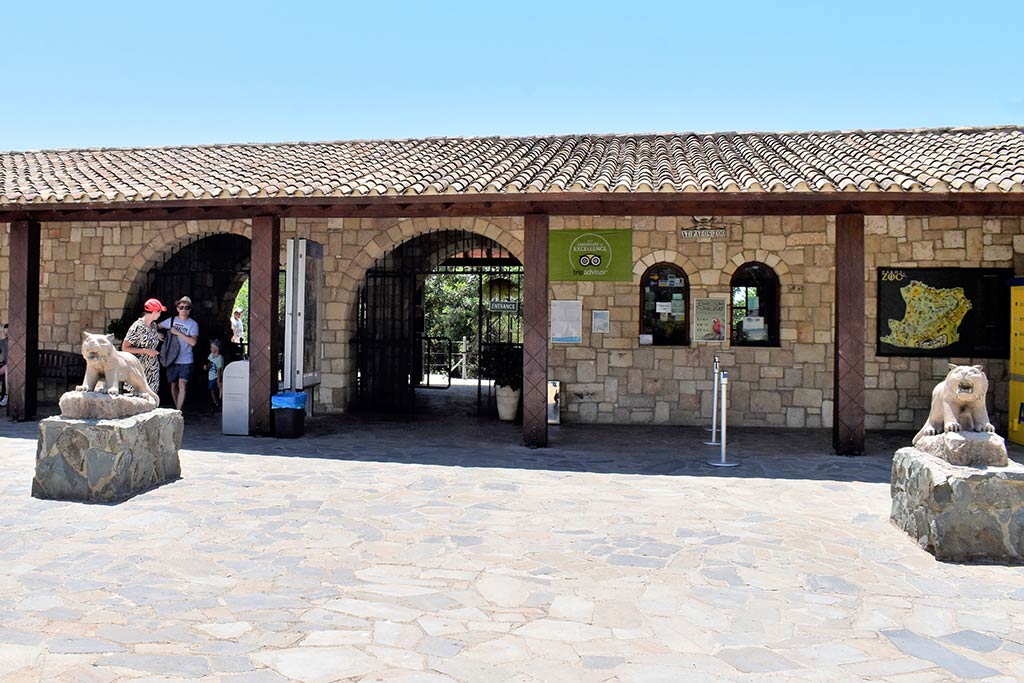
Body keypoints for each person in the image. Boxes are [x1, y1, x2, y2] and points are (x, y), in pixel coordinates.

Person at [159, 296, 199, 411]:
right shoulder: (171, 321)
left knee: (182, 384)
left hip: (186, 359)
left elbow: (193, 342)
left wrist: (177, 333)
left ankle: (178, 411)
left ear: (190, 310)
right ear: (177, 309)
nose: (184, 310)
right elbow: (155, 326)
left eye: (187, 307)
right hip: (172, 358)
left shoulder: (193, 324)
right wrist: (157, 333)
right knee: (173, 385)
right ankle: (177, 410)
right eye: (181, 307)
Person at [121, 298, 166, 397]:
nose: (160, 314)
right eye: (159, 311)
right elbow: (125, 348)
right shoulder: (137, 326)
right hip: (139, 368)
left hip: (152, 368)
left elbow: (149, 336)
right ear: (154, 312)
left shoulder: (153, 325)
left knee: (152, 397)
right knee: (137, 397)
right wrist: (145, 351)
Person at [205, 339, 225, 408]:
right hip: (211, 376)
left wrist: (218, 380)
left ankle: (220, 401)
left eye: (212, 347)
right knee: (212, 389)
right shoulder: (211, 355)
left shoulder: (220, 358)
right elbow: (209, 363)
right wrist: (206, 367)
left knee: (220, 388)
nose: (210, 349)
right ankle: (215, 402)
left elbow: (219, 370)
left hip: (217, 376)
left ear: (216, 348)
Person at [0, 323, 8, 407]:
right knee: (6, 368)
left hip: (11, 367)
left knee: (7, 368)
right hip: (4, 365)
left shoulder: (17, 343)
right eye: (5, 333)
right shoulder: (2, 342)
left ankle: (7, 395)